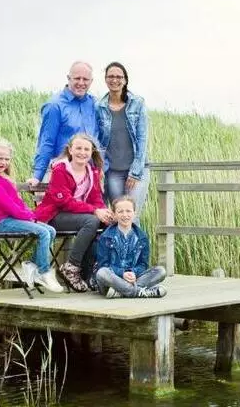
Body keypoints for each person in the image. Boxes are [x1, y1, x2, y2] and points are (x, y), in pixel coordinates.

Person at [0, 138, 63, 293]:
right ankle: (43, 272)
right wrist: (28, 217)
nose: (3, 162)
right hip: (2, 222)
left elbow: (17, 202)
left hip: (13, 219)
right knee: (42, 232)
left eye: (6, 159)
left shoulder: (3, 177)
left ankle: (32, 266)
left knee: (50, 230)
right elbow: (5, 204)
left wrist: (30, 214)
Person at [35, 133, 113, 292]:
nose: (82, 152)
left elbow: (95, 198)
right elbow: (64, 201)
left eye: (86, 149)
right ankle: (71, 267)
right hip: (54, 215)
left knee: (105, 222)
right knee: (91, 221)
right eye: (78, 148)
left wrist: (104, 212)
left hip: (78, 216)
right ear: (70, 150)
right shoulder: (60, 170)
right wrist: (94, 211)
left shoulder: (92, 172)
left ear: (92, 153)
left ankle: (90, 272)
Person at [28, 61, 99, 186]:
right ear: (68, 78)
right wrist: (37, 176)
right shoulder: (54, 105)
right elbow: (46, 142)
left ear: (91, 81)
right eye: (77, 78)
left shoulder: (94, 104)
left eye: (85, 79)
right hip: (59, 173)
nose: (81, 83)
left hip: (86, 174)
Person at [96, 61, 150, 222]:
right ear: (105, 79)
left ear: (125, 80)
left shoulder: (137, 104)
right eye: (111, 76)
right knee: (118, 216)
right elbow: (98, 141)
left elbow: (142, 139)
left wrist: (135, 171)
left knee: (131, 216)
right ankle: (118, 248)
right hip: (112, 171)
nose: (115, 80)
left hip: (136, 170)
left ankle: (135, 248)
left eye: (119, 77)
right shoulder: (99, 107)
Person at [94, 196, 167, 299]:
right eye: (120, 212)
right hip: (113, 281)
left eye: (128, 211)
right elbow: (103, 265)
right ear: (114, 214)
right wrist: (122, 273)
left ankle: (122, 292)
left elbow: (143, 265)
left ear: (134, 213)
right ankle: (139, 292)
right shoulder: (105, 237)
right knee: (101, 273)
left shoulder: (142, 237)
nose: (125, 215)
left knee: (161, 271)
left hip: (133, 279)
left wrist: (133, 273)